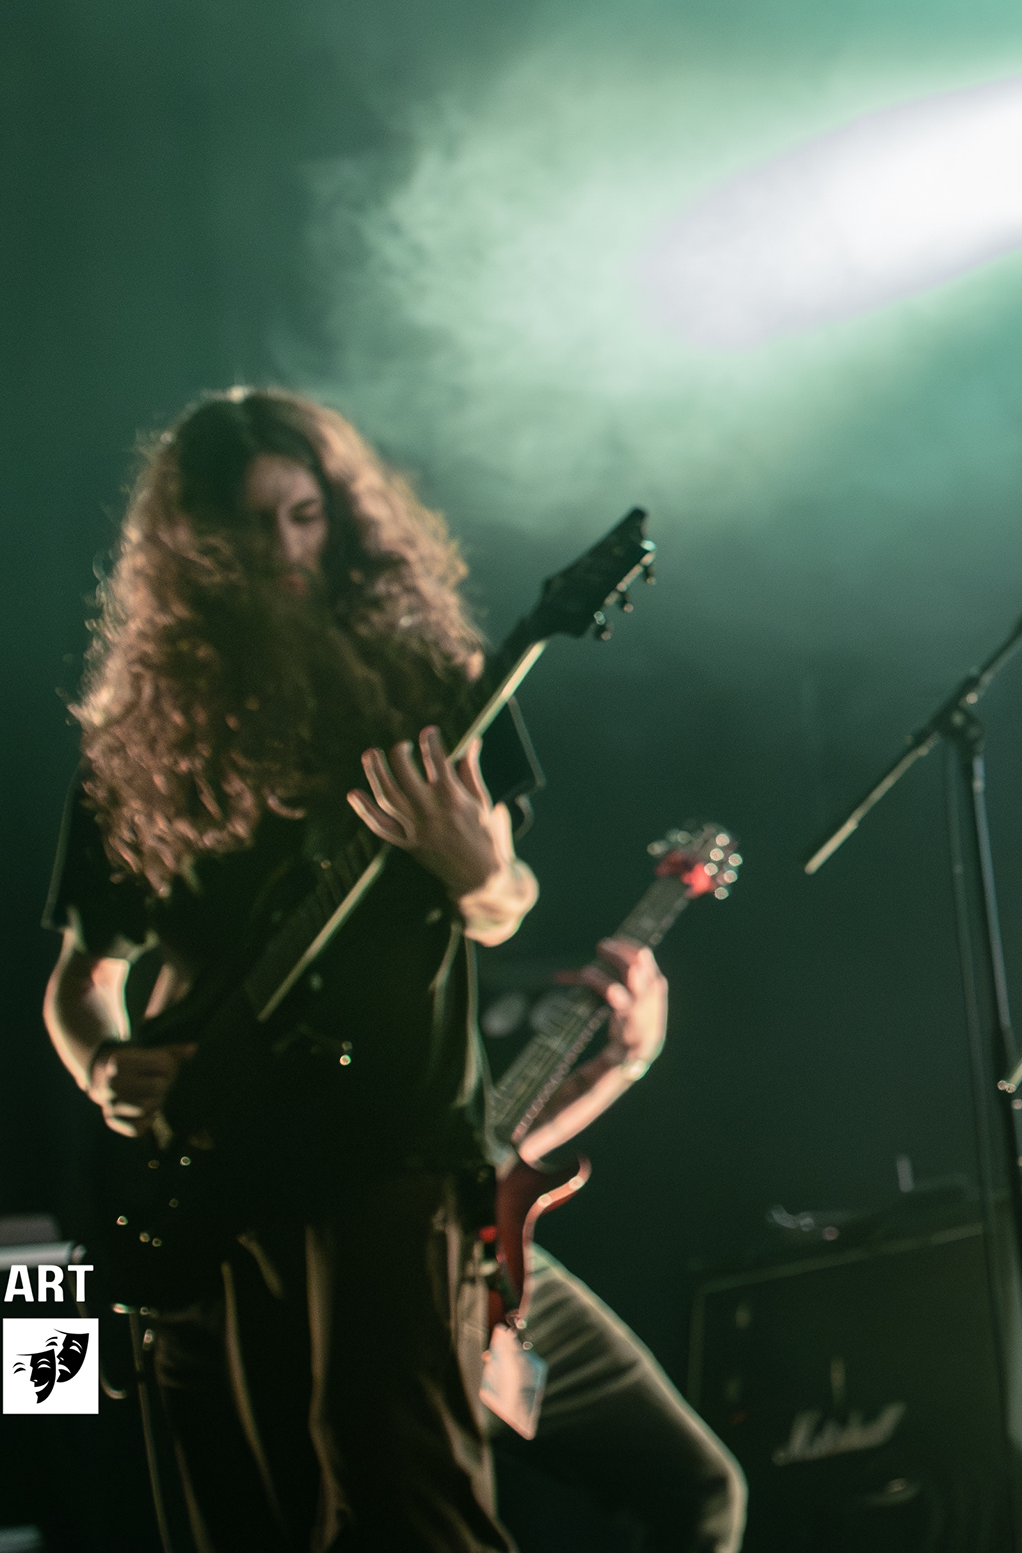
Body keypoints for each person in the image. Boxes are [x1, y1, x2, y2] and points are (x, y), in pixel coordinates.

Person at [43, 387, 538, 1553]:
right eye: (251, 526)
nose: (285, 549)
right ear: (192, 548)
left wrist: (474, 869)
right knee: (244, 1518)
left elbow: (504, 906)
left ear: (343, 518)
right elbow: (82, 974)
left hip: (391, 1152)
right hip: (217, 1166)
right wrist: (103, 1065)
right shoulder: (139, 732)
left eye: (306, 515)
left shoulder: (433, 685)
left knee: (412, 1501)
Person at [491, 940, 750, 1553]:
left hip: (491, 1245)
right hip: (382, 1251)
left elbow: (495, 1143)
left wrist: (624, 1059)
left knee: (702, 1494)